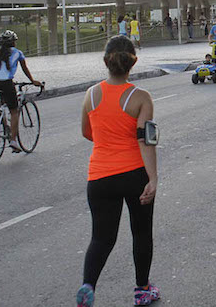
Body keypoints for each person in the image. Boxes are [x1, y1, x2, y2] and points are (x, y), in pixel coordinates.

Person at [77, 36, 159, 307]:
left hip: (99, 177)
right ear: (133, 63)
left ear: (105, 62)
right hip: (134, 174)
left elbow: (87, 133)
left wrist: (107, 142)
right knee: (141, 232)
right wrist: (153, 178)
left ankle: (88, 286)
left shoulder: (91, 94)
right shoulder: (141, 98)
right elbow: (145, 141)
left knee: (101, 237)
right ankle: (142, 290)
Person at [0, 30, 41, 152]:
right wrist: (33, 80)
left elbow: (0, 70)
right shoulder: (18, 53)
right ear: (13, 43)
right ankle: (13, 141)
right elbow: (24, 68)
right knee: (14, 111)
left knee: (2, 97)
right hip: (5, 83)